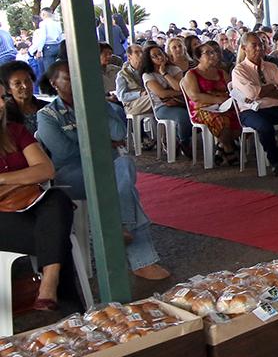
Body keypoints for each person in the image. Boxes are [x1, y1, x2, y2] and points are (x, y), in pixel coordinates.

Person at [37, 60, 170, 281]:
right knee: (127, 188)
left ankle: (119, 226)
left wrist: (94, 106)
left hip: (107, 168)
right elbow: (63, 153)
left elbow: (118, 133)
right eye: (69, 78)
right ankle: (141, 259)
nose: (76, 83)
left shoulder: (97, 104)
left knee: (125, 163)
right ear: (55, 83)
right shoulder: (48, 115)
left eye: (78, 78)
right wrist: (100, 143)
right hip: (72, 175)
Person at [0, 103, 80, 311]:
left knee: (57, 198)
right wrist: (24, 178)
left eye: (2, 97)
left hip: (29, 205)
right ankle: (71, 312)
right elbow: (34, 172)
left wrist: (3, 179)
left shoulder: (14, 131)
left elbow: (46, 170)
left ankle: (49, 284)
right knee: (56, 236)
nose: (2, 104)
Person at [230, 33, 278, 176]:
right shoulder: (239, 71)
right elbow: (253, 94)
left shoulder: (271, 66)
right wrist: (271, 87)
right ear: (244, 48)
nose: (259, 48)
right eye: (254, 45)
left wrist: (264, 90)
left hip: (274, 107)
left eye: (261, 44)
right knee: (265, 127)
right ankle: (275, 161)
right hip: (250, 111)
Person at [180, 42, 242, 165]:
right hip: (202, 109)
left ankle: (221, 145)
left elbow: (232, 90)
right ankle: (228, 149)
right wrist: (219, 100)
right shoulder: (192, 74)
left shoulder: (221, 73)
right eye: (209, 53)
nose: (214, 55)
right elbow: (195, 96)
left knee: (243, 117)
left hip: (224, 106)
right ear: (199, 57)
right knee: (221, 120)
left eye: (215, 52)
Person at [142, 43, 192, 158]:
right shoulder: (148, 75)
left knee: (194, 115)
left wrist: (164, 73)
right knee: (183, 116)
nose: (159, 57)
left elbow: (178, 87)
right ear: (149, 60)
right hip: (162, 106)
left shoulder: (174, 69)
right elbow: (161, 93)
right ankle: (184, 142)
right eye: (155, 56)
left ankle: (180, 139)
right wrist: (180, 92)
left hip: (181, 102)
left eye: (160, 54)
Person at [1, 60, 48, 135]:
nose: (25, 86)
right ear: (8, 89)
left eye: (28, 81)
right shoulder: (5, 114)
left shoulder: (47, 107)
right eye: (17, 83)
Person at [116, 43, 154, 119]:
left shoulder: (148, 70)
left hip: (147, 100)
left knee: (158, 97)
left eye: (142, 52)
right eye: (136, 52)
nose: (140, 54)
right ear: (129, 57)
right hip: (132, 105)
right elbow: (121, 96)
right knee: (156, 97)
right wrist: (140, 94)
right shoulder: (122, 74)